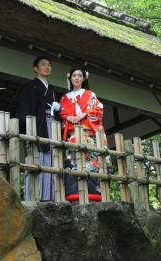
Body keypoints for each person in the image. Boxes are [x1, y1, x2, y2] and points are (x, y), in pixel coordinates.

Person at [15, 56, 61, 202]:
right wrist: (29, 128)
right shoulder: (31, 86)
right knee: (36, 160)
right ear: (35, 68)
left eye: (49, 65)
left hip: (51, 125)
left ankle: (50, 197)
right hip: (38, 126)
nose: (47, 67)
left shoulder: (52, 90)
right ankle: (34, 196)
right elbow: (26, 110)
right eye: (43, 64)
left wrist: (57, 110)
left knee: (52, 160)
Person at [60, 67, 106, 202]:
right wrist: (68, 118)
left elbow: (98, 109)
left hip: (88, 133)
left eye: (79, 75)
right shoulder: (64, 98)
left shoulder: (90, 94)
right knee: (72, 161)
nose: (76, 78)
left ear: (84, 78)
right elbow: (62, 113)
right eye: (74, 75)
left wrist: (84, 114)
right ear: (70, 78)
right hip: (72, 133)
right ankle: (73, 193)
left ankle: (93, 193)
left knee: (90, 161)